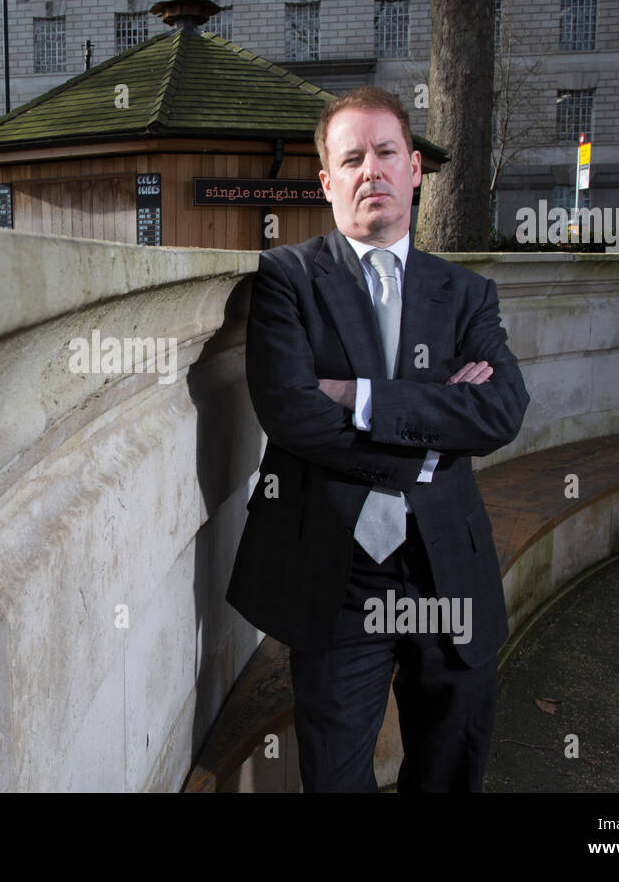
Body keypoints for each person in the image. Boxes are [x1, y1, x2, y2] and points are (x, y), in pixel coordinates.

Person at [225, 86, 530, 792]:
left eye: (386, 152)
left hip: (448, 567)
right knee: (334, 779)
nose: (372, 171)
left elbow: (501, 411)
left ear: (414, 168)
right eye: (352, 158)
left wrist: (358, 396)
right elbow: (291, 414)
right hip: (338, 576)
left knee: (451, 769)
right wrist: (433, 424)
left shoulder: (466, 294)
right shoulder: (287, 280)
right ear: (328, 181)